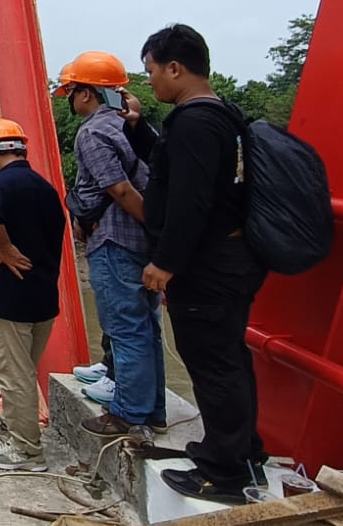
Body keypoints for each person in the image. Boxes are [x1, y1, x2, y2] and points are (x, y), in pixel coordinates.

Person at [138, 25, 266, 503]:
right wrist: (138, 130)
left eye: (152, 71)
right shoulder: (219, 116)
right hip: (228, 259)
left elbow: (190, 202)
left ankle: (223, 474)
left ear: (176, 68)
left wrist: (164, 263)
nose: (150, 81)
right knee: (230, 359)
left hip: (208, 266)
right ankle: (243, 452)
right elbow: (181, 175)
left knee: (213, 364)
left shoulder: (194, 123)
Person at [53, 52, 165, 442]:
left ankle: (128, 413)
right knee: (147, 327)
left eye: (71, 91)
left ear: (87, 94)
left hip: (116, 241)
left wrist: (152, 226)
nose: (69, 100)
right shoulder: (124, 128)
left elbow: (118, 189)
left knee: (125, 328)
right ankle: (153, 410)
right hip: (136, 243)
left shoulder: (94, 133)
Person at [0, 118, 65, 472]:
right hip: (42, 300)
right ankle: (12, 424)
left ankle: (27, 450)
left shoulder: (1, 186)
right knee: (23, 370)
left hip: (8, 302)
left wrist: (6, 247)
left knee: (15, 374)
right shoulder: (45, 187)